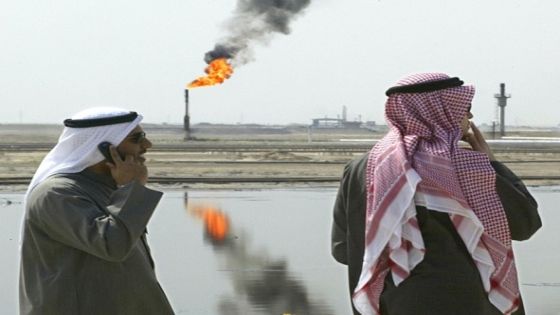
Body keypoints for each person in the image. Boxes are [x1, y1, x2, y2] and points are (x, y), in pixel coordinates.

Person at [331, 73, 541, 315]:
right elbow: (526, 224)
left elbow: (342, 249)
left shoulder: (360, 169)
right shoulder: (464, 167)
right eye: (465, 107)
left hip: (389, 305)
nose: (469, 116)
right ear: (441, 110)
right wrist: (491, 163)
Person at [19, 107, 174, 314]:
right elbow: (113, 244)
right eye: (137, 139)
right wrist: (133, 189)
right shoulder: (56, 194)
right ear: (103, 147)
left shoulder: (108, 187)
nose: (147, 145)